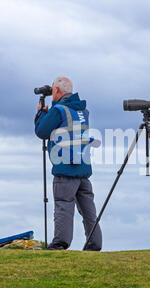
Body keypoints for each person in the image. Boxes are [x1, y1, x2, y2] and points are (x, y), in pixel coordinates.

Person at [34, 76, 102, 251]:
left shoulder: (59, 110)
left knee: (64, 206)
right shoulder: (83, 111)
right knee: (88, 210)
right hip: (83, 167)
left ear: (56, 91)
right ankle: (94, 244)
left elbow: (42, 131)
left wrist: (42, 112)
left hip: (65, 167)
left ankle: (60, 243)